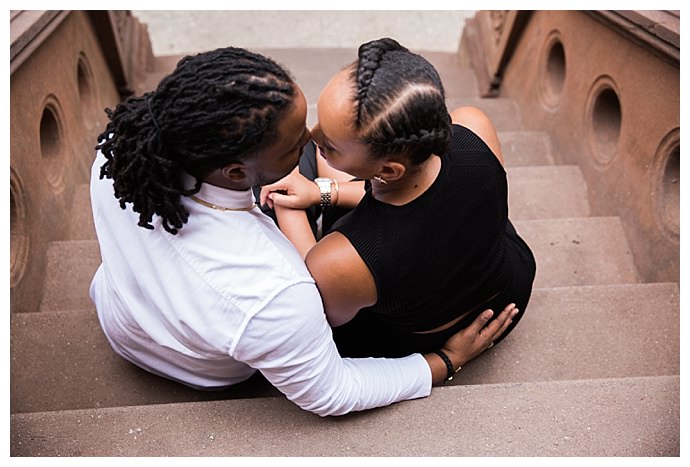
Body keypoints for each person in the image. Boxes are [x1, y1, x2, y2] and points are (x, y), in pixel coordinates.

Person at [89, 46, 519, 418]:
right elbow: (332, 390)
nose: (312, 139)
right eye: (297, 143)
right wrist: (445, 361)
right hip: (200, 364)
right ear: (238, 172)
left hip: (127, 309)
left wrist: (317, 194)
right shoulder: (280, 294)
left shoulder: (117, 152)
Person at [260, 38, 536, 359]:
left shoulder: (339, 262)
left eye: (329, 145)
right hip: (505, 290)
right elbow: (423, 209)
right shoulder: (474, 128)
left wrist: (284, 204)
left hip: (424, 335)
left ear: (388, 171)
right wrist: (323, 191)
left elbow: (313, 308)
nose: (310, 135)